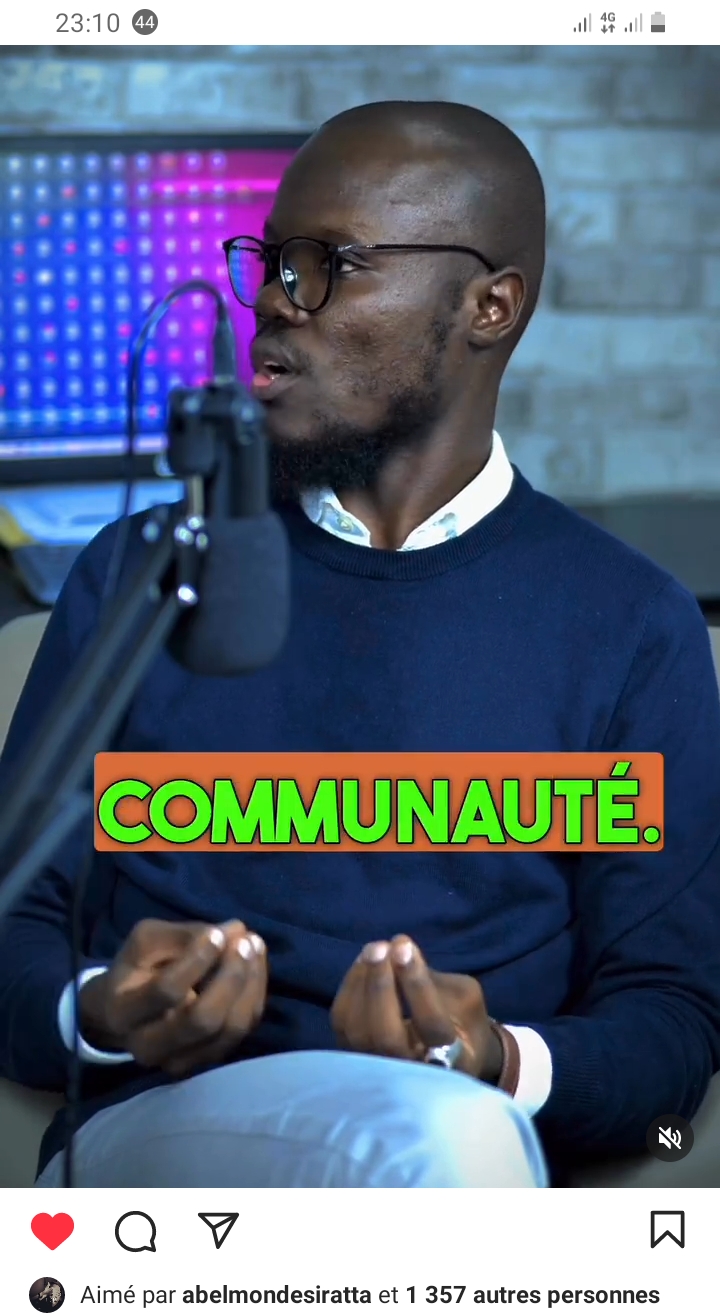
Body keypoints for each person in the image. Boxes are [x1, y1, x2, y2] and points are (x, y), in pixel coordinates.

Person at [1, 99, 719, 1188]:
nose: (272, 302)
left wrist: (493, 1058)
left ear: (488, 307)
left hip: (478, 1156)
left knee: (449, 1133)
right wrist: (103, 1008)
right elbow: (16, 924)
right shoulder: (145, 574)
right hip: (162, 1132)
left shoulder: (630, 625)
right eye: (271, 262)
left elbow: (669, 1024)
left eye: (328, 264)